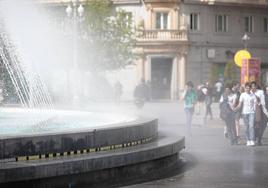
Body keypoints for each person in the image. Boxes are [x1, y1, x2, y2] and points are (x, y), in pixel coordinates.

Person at [251, 81, 268, 146]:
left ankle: (259, 139)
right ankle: (256, 138)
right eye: (266, 90)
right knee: (257, 126)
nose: (267, 91)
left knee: (263, 127)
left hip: (264, 113)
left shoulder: (261, 93)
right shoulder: (263, 95)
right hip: (259, 113)